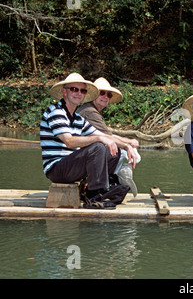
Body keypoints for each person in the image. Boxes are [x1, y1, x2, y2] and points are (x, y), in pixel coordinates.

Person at [40, 73, 137, 208]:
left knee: (115, 152)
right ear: (64, 91)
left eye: (82, 90)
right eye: (74, 89)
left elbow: (105, 136)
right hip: (56, 169)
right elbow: (69, 141)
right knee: (98, 147)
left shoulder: (78, 119)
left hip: (71, 165)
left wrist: (126, 147)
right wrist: (99, 138)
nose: (78, 93)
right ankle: (94, 195)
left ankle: (99, 189)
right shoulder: (56, 112)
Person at [77, 77, 140, 196]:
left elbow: (106, 134)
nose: (106, 96)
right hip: (81, 157)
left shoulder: (91, 110)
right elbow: (107, 136)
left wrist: (128, 142)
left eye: (109, 94)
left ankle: (117, 176)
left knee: (128, 152)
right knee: (118, 152)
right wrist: (127, 145)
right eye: (102, 93)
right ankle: (116, 177)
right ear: (94, 95)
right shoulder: (89, 111)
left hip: (85, 154)